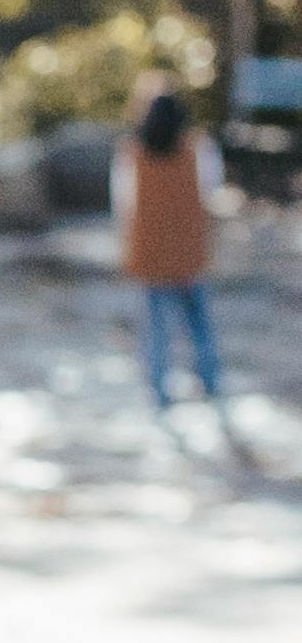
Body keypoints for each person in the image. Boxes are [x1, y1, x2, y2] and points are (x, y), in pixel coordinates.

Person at [115, 72, 228, 414]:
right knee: (199, 320)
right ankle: (210, 381)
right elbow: (212, 191)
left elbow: (123, 203)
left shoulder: (132, 151)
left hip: (150, 248)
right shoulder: (199, 148)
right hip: (188, 246)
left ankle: (159, 389)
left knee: (156, 325)